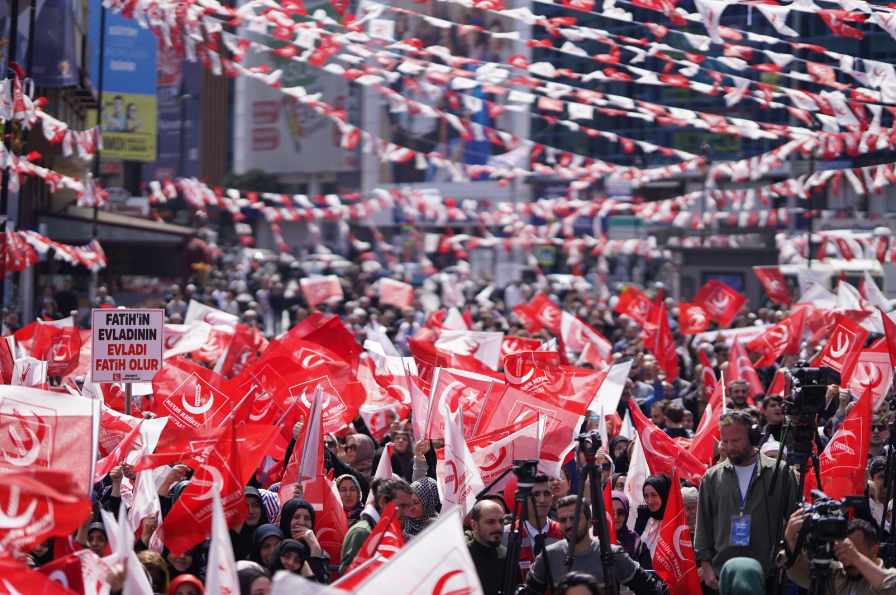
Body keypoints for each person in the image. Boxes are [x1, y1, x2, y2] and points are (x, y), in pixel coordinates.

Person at [695, 411, 797, 591]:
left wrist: (787, 562)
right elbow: (704, 525)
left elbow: (794, 522)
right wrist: (707, 567)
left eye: (735, 440)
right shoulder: (711, 477)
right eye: (724, 441)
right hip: (723, 576)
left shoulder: (781, 473)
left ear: (754, 437)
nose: (729, 447)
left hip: (768, 574)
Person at [526, 495, 665, 595]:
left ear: (590, 522)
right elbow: (530, 590)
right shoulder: (548, 556)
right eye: (563, 520)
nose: (568, 525)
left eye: (574, 519)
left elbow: (648, 588)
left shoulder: (612, 554)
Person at [782, 516, 896, 594]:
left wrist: (855, 557)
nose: (847, 561)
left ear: (874, 551)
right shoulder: (835, 573)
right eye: (843, 554)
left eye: (855, 552)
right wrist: (791, 539)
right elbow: (799, 570)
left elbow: (891, 585)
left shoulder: (887, 578)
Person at [340, 476, 413, 573]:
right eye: (401, 506)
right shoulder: (361, 533)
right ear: (382, 502)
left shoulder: (392, 533)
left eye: (409, 506)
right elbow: (349, 579)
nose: (407, 513)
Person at [502, 473, 564, 579]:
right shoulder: (507, 535)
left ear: (552, 497)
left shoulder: (562, 533)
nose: (542, 499)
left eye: (546, 494)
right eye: (535, 494)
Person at [468, 499, 521, 595]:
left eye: (501, 521)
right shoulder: (461, 557)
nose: (498, 527)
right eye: (490, 522)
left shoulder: (509, 558)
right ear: (474, 525)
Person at [277, 498, 330, 581]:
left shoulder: (320, 553)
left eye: (307, 518)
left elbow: (320, 588)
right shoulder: (275, 547)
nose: (301, 522)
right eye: (296, 517)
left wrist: (315, 550)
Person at [611, 491, 651, 569]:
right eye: (611, 512)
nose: (616, 517)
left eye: (621, 512)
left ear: (627, 514)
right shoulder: (597, 543)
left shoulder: (638, 544)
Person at [637, 474, 671, 557]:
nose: (650, 501)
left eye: (654, 495)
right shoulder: (642, 518)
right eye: (646, 496)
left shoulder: (676, 521)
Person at [404, 477, 439, 541]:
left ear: (429, 503)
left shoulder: (439, 527)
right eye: (409, 502)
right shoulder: (401, 522)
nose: (411, 507)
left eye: (416, 503)